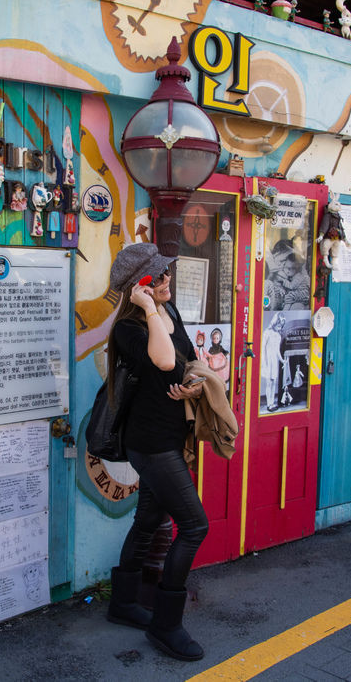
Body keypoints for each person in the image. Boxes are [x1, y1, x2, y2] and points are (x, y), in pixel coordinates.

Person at [104, 242, 207, 662]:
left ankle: (124, 603)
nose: (167, 280)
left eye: (166, 273)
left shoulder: (171, 311)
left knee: (148, 519)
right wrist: (147, 307)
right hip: (150, 443)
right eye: (157, 277)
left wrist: (196, 385)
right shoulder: (130, 329)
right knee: (195, 525)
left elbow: (188, 360)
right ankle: (166, 625)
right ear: (139, 286)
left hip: (168, 436)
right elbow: (164, 362)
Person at [262, 313, 286, 412]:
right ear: (274, 322)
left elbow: (277, 351)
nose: (279, 327)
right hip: (267, 360)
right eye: (278, 325)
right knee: (269, 383)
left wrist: (282, 360)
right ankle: (269, 404)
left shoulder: (278, 335)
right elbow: (262, 348)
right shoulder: (267, 333)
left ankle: (272, 403)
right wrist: (263, 362)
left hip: (274, 362)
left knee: (274, 382)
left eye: (281, 326)